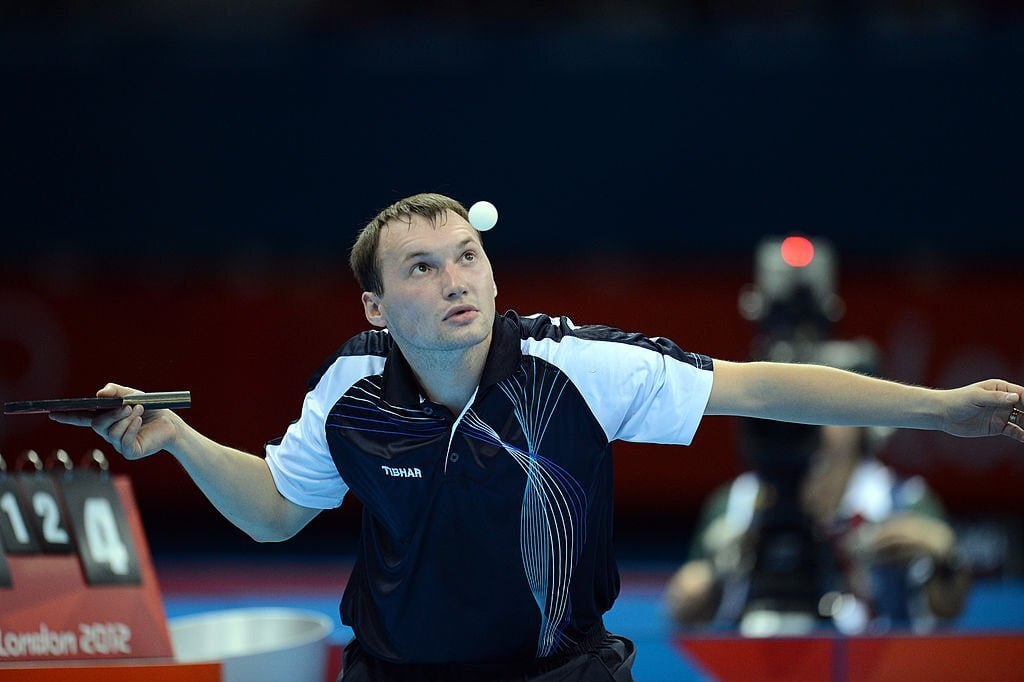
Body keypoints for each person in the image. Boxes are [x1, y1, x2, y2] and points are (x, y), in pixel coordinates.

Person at [51, 193, 1023, 681]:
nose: (455, 280)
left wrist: (939, 408)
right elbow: (273, 509)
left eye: (466, 257)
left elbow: (761, 383)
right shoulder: (352, 387)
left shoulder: (575, 367)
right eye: (421, 268)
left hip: (560, 674)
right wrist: (175, 438)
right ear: (377, 307)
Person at [664, 422, 971, 635]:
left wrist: (943, 552)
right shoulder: (736, 502)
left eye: (829, 407)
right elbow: (687, 613)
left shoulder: (904, 500)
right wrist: (700, 585)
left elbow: (947, 611)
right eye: (804, 407)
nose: (814, 423)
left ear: (863, 423)